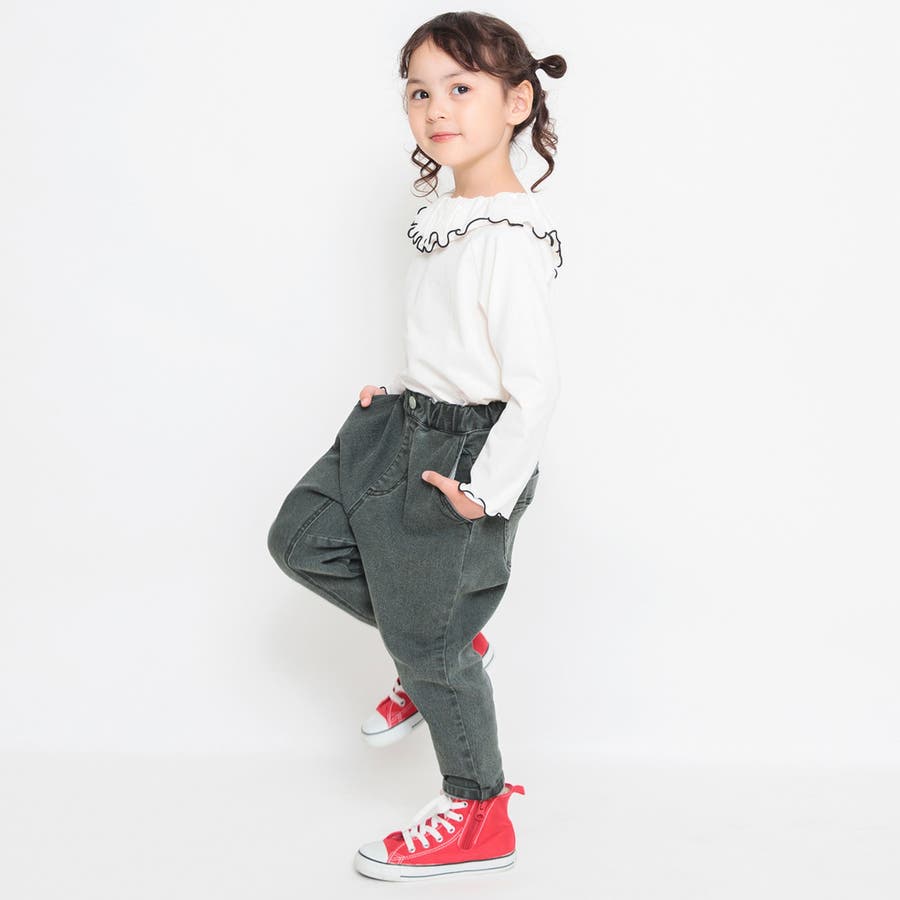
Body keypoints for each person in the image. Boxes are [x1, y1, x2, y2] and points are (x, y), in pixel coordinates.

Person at [267, 11, 567, 881]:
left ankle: (478, 810)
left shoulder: (509, 236)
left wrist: (488, 486)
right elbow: (453, 339)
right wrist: (403, 391)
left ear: (517, 102)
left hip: (466, 450)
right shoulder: (445, 217)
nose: (436, 108)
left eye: (461, 88)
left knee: (428, 644)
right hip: (407, 420)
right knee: (300, 538)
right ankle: (443, 641)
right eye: (418, 92)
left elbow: (535, 386)